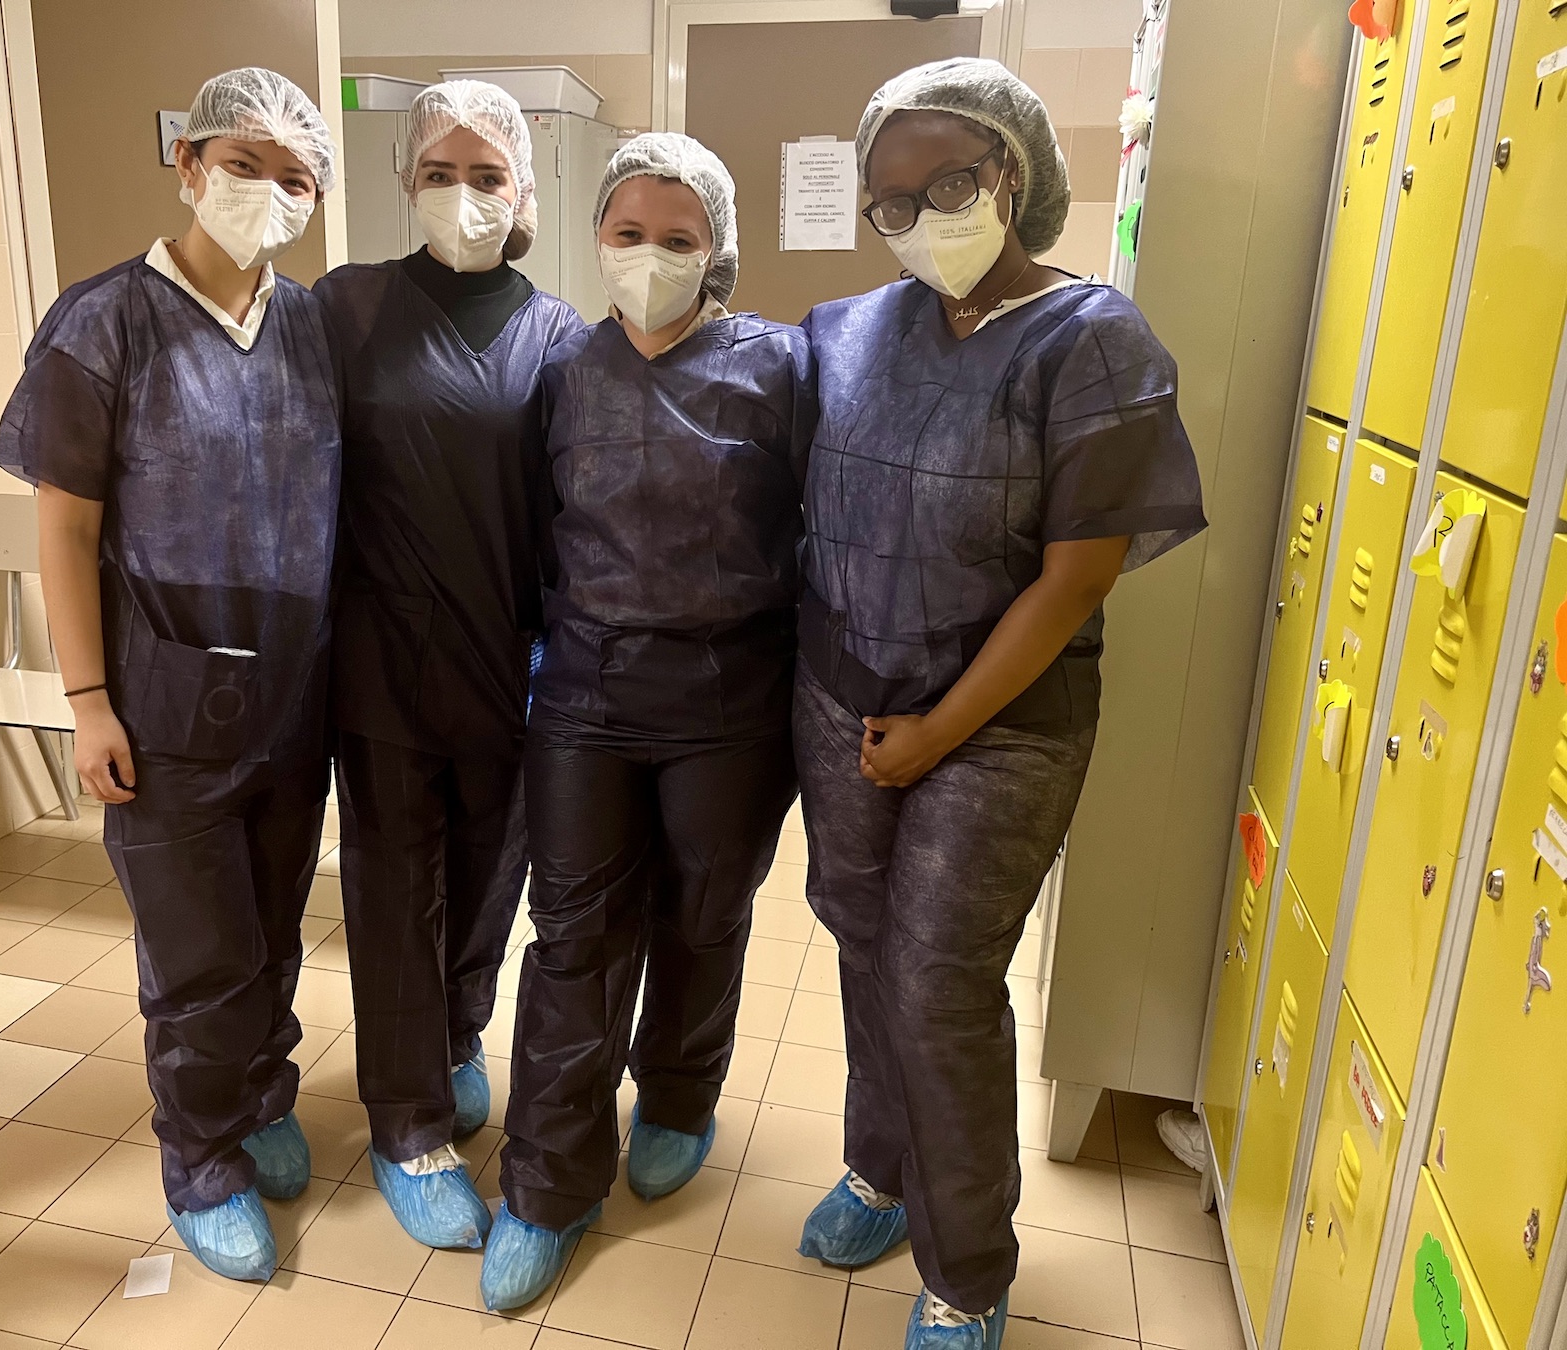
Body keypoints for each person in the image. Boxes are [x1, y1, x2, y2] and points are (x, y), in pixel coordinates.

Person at [792, 59, 1207, 1349]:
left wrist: (933, 735)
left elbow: (1075, 579)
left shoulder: (1092, 340)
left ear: (1012, 174)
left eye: (950, 184)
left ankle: (966, 1267)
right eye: (892, 201)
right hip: (842, 697)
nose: (923, 216)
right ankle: (879, 1163)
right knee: (861, 938)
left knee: (939, 978)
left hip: (1001, 725)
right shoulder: (849, 329)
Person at [0, 69, 340, 1282]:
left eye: (295, 175)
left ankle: (261, 1092)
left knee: (274, 931)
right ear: (187, 164)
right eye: (244, 162)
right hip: (161, 701)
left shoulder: (309, 325)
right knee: (196, 956)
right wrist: (85, 702)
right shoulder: (104, 321)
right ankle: (203, 1161)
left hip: (295, 699)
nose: (268, 190)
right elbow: (65, 528)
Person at [481, 132, 815, 1311]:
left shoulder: (782, 369)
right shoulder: (566, 373)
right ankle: (547, 1183)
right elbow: (535, 533)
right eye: (629, 235)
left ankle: (677, 1093)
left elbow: (822, 540)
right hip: (582, 693)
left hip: (731, 699)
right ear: (597, 239)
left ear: (717, 247)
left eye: (679, 240)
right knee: (572, 934)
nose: (651, 258)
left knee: (703, 913)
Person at [314, 80, 584, 1252]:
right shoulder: (346, 309)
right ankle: (408, 1122)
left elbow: (578, 511)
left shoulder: (565, 337)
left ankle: (457, 1032)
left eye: (488, 175)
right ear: (406, 182)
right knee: (391, 891)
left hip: (513, 662)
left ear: (525, 189)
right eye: (440, 171)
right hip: (380, 662)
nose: (463, 194)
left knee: (490, 873)